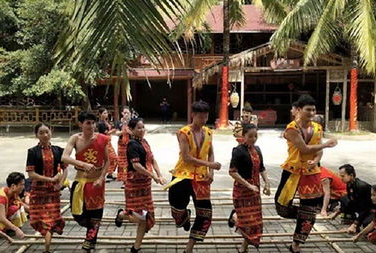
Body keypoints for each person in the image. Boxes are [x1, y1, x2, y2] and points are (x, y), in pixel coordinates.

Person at [274, 95, 338, 253]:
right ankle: (305, 216)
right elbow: (304, 149)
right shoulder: (291, 128)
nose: (311, 112)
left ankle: (296, 244)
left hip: (312, 173)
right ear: (299, 110)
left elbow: (318, 151)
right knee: (281, 206)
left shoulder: (317, 127)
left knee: (309, 209)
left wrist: (316, 159)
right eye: (308, 109)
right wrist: (327, 144)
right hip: (292, 171)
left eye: (314, 110)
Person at [165, 101, 222, 253]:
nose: (203, 120)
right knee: (176, 208)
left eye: (206, 117)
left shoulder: (209, 132)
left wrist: (211, 172)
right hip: (183, 176)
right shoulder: (183, 133)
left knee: (205, 215)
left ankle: (188, 248)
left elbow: (210, 152)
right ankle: (184, 217)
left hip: (202, 178)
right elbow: (186, 157)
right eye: (200, 117)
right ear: (193, 115)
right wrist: (210, 165)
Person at [114, 118, 166, 252]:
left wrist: (159, 174)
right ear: (131, 130)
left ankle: (136, 247)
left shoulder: (145, 142)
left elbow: (152, 159)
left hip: (145, 185)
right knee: (138, 217)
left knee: (146, 216)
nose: (142, 130)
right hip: (134, 184)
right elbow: (136, 165)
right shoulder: (131, 145)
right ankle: (121, 215)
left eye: (143, 127)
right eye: (138, 128)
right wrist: (153, 175)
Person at [62, 111, 110, 252]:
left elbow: (107, 161)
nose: (91, 126)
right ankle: (91, 230)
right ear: (80, 124)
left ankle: (90, 240)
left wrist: (101, 178)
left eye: (93, 123)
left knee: (96, 214)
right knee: (78, 214)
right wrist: (83, 164)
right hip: (81, 181)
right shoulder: (75, 139)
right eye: (88, 123)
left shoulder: (102, 138)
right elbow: (65, 157)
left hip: (96, 183)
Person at [228, 124, 271, 252]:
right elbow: (232, 171)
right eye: (250, 136)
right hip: (242, 191)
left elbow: (262, 168)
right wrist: (248, 185)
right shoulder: (238, 151)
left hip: (255, 192)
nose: (253, 139)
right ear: (243, 136)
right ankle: (234, 217)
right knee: (246, 221)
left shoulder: (257, 149)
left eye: (255, 136)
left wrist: (267, 183)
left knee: (254, 222)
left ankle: (243, 247)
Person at [26, 123, 68, 253]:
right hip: (38, 191)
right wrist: (50, 179)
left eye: (47, 132)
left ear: (51, 132)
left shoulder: (58, 150)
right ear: (36, 135)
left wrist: (61, 182)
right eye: (41, 133)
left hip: (53, 191)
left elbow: (65, 168)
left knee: (51, 220)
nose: (45, 135)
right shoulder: (32, 152)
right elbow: (31, 174)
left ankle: (47, 249)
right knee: (38, 219)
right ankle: (47, 247)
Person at [0, 172, 28, 239]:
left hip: (2, 215)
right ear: (13, 186)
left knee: (18, 205)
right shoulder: (1, 198)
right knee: (14, 208)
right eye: (21, 185)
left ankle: (11, 228)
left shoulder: (13, 192)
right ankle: (5, 230)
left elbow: (22, 204)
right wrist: (16, 229)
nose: (23, 187)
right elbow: (2, 218)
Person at [338, 164, 376, 233]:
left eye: (343, 176)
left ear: (351, 175)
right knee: (344, 199)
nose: (341, 178)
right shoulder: (349, 184)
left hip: (372, 209)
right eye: (340, 176)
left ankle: (355, 226)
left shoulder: (362, 187)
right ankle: (350, 223)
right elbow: (351, 201)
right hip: (361, 206)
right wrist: (337, 212)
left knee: (366, 223)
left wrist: (355, 224)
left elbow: (365, 208)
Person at [97, 107, 118, 182]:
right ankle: (105, 174)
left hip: (108, 142)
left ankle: (109, 173)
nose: (106, 114)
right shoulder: (101, 123)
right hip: (104, 142)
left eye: (106, 113)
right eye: (104, 113)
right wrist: (115, 129)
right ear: (100, 114)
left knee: (111, 158)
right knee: (112, 158)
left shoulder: (105, 122)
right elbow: (106, 133)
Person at [114, 106, 132, 186]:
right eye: (125, 113)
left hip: (130, 143)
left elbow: (135, 133)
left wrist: (128, 131)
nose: (126, 114)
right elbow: (117, 133)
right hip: (121, 144)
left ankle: (129, 178)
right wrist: (123, 131)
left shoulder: (132, 122)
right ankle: (123, 180)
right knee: (122, 162)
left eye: (128, 113)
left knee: (130, 161)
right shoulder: (119, 122)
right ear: (122, 113)